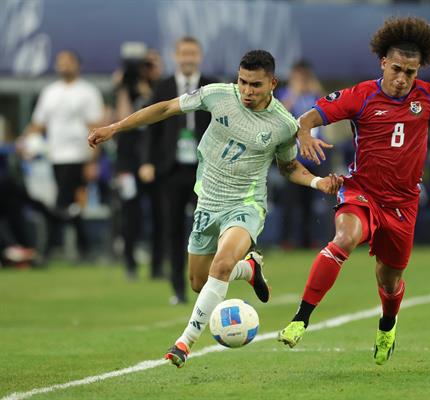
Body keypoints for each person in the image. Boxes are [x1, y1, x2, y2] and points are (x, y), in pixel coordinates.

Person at [88, 50, 343, 368]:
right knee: (198, 282)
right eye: (243, 82)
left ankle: (184, 343)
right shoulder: (218, 95)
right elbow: (166, 108)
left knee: (220, 266)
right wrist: (115, 127)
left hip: (246, 205)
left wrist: (318, 183)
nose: (247, 91)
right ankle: (249, 269)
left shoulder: (283, 124)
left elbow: (288, 167)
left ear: (273, 83)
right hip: (207, 201)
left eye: (255, 85)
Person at [277, 17, 430, 365]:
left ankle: (387, 325)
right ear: (383, 62)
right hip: (362, 191)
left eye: (410, 72)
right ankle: (300, 318)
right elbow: (308, 117)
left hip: (403, 203)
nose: (402, 79)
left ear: (419, 70)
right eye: (397, 69)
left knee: (390, 279)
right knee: (344, 239)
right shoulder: (360, 95)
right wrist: (304, 133)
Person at [139, 37, 218, 303]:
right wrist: (147, 161)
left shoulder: (212, 85)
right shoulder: (163, 87)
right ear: (176, 56)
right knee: (172, 230)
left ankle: (208, 287)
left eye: (192, 53)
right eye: (183, 53)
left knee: (208, 228)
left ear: (200, 56)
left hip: (204, 169)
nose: (188, 58)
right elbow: (152, 126)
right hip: (170, 169)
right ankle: (178, 289)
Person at [20, 50, 104, 260]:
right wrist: (24, 141)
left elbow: (97, 127)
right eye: (61, 62)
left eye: (68, 62)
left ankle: (49, 248)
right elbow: (38, 124)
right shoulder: (50, 92)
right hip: (55, 156)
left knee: (63, 202)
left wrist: (93, 160)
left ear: (78, 65)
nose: (64, 66)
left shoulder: (88, 92)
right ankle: (84, 248)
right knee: (69, 206)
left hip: (78, 156)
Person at [114, 45, 164, 279]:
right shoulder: (128, 87)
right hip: (129, 160)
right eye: (146, 64)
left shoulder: (163, 88)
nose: (149, 68)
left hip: (155, 159)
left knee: (159, 215)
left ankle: (157, 266)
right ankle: (130, 264)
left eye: (153, 63)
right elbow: (121, 118)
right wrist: (125, 86)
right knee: (130, 215)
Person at [277, 60, 331, 248]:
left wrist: (316, 87)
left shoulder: (315, 94)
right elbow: (280, 115)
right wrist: (294, 92)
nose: (302, 80)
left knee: (314, 202)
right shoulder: (285, 94)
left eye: (304, 76)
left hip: (316, 156)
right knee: (290, 202)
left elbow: (330, 110)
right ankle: (287, 240)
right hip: (293, 156)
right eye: (298, 76)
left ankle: (311, 240)